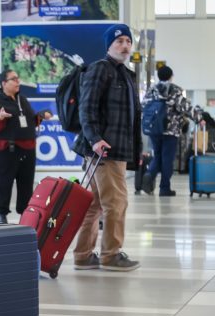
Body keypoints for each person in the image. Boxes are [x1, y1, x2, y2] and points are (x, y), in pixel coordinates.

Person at [71, 23, 141, 272]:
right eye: (119, 41)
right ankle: (111, 255)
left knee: (94, 205)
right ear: (109, 46)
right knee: (116, 203)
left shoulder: (126, 74)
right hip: (104, 150)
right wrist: (95, 139)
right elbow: (86, 107)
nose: (125, 45)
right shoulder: (101, 68)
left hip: (114, 149)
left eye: (128, 41)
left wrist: (137, 151)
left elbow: (133, 118)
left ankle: (82, 255)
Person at [0, 69, 52, 223]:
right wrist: (0, 116)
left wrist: (41, 116)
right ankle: (2, 214)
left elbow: (30, 120)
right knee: (4, 183)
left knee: (26, 183)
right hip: (6, 150)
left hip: (27, 149)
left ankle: (25, 214)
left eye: (18, 78)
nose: (18, 82)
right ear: (4, 83)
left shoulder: (22, 100)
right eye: (14, 79)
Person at [140, 65, 192, 197]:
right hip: (170, 130)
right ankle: (164, 188)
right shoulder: (175, 90)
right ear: (171, 76)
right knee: (167, 159)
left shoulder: (152, 89)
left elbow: (143, 106)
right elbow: (185, 107)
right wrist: (200, 118)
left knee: (157, 156)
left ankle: (149, 174)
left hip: (154, 129)